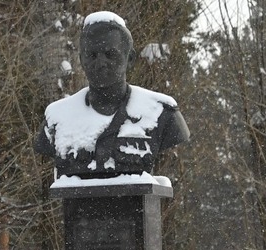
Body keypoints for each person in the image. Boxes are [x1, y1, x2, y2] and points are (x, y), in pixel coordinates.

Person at [34, 11, 189, 178]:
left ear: (130, 59)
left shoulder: (162, 115)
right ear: (81, 60)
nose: (100, 63)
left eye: (110, 55)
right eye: (92, 55)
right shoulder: (57, 121)